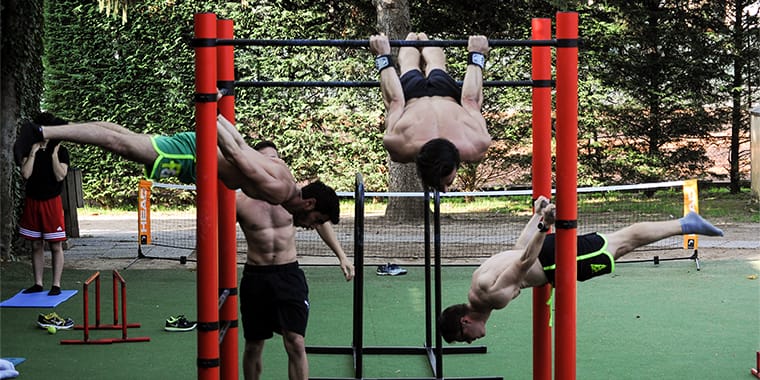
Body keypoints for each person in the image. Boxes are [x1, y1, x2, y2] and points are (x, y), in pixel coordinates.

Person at [439, 196, 725, 344]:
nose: (471, 339)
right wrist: (538, 217)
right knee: (622, 243)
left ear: (465, 322)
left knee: (623, 243)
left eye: (464, 338)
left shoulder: (491, 297)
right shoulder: (476, 283)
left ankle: (686, 223)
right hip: (547, 256)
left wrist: (544, 223)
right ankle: (685, 223)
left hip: (554, 261)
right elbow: (518, 249)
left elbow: (524, 262)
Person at [15, 112, 312, 219]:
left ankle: (55, 131)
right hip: (194, 156)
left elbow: (243, 147)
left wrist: (220, 117)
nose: (309, 228)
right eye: (314, 221)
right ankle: (42, 132)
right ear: (309, 204)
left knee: (122, 137)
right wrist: (210, 112)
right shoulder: (279, 192)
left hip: (197, 156)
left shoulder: (285, 173)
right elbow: (237, 155)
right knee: (120, 144)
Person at [237, 140, 354, 380]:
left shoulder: (293, 196)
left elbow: (320, 221)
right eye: (265, 160)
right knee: (253, 344)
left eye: (275, 159)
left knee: (296, 342)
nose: (272, 164)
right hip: (256, 276)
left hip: (288, 275)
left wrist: (341, 255)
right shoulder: (240, 200)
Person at [369, 32, 492, 192]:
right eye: (450, 182)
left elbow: (396, 101)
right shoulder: (475, 143)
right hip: (441, 96)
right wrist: (476, 54)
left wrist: (476, 53)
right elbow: (394, 102)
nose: (446, 190)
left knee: (423, 65)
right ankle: (420, 38)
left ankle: (413, 38)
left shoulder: (399, 144)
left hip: (416, 97)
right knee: (428, 65)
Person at [15, 114, 70, 296]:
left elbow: (60, 175)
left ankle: (56, 284)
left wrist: (53, 154)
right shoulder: (29, 149)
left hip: (52, 202)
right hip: (33, 201)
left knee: (55, 245)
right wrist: (33, 152)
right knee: (36, 245)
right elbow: (25, 174)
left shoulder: (61, 151)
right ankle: (38, 283)